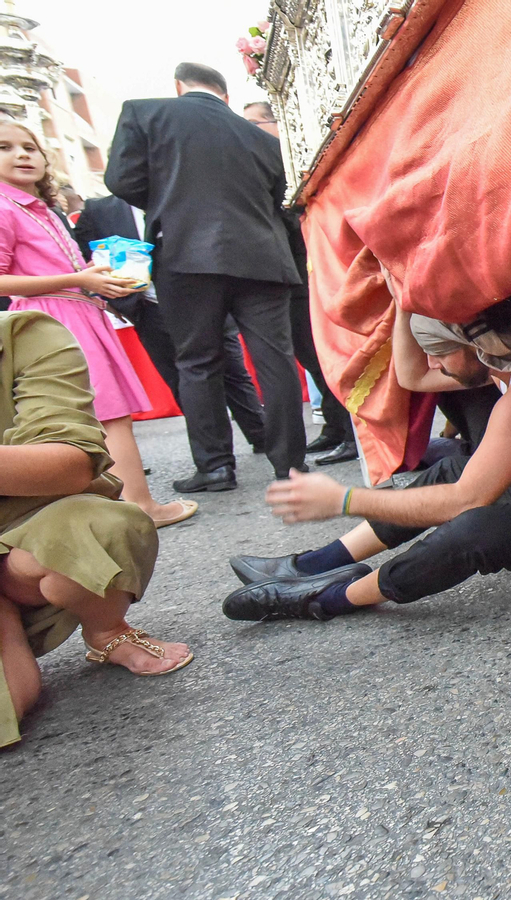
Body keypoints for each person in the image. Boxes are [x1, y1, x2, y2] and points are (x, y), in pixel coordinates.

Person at [220, 307, 511, 621]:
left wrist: (346, 499)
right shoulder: (499, 361)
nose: (432, 360)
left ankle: (326, 597)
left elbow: (463, 502)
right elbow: (411, 376)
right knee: (450, 469)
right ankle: (317, 563)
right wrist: (405, 299)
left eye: (439, 349)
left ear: (474, 345)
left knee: (473, 529)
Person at [104, 62, 306, 491]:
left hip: (185, 253)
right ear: (226, 96)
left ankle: (215, 467)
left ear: (179, 86)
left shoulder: (144, 113)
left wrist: (170, 202)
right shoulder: (263, 137)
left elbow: (121, 180)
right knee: (276, 359)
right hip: (263, 258)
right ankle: (290, 466)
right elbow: (279, 201)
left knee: (197, 361)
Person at [1, 311, 195, 748]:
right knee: (11, 700)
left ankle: (106, 629)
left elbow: (69, 463)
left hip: (32, 535)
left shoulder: (23, 335)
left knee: (101, 527)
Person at [0, 120, 197, 528]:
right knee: (106, 412)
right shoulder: (5, 208)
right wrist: (79, 280)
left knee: (99, 412)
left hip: (72, 312)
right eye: (5, 147)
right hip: (51, 319)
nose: (22, 154)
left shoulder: (38, 209)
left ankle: (114, 505)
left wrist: (94, 278)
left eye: (29, 147)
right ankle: (138, 506)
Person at [73, 192, 272, 454]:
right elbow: (87, 256)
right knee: (183, 381)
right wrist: (116, 300)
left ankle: (262, 437)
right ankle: (215, 459)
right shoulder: (99, 210)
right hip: (148, 306)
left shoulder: (184, 192)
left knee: (233, 371)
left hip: (205, 299)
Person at [240, 100, 357, 465]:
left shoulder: (289, 160)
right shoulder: (264, 162)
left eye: (254, 123)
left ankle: (354, 434)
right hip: (288, 273)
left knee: (324, 356)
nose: (247, 132)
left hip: (306, 270)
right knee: (310, 357)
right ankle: (336, 428)